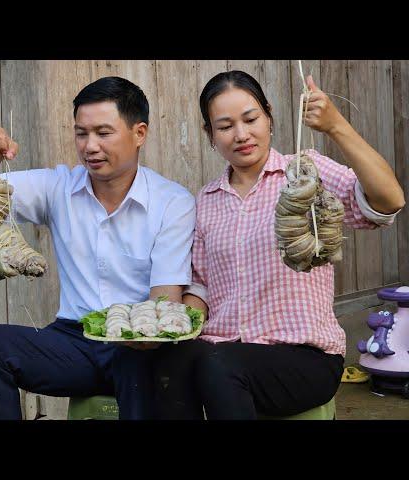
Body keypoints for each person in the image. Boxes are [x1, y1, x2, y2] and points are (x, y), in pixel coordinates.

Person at [154, 70, 406, 420]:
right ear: (209, 133)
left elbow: (389, 201)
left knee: (220, 367)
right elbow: (202, 287)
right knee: (165, 364)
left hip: (304, 357)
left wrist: (336, 126)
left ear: (269, 115)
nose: (241, 134)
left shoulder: (304, 173)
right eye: (225, 126)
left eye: (250, 119)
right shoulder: (207, 200)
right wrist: (173, 321)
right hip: (224, 350)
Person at [0, 76, 196, 419]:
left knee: (138, 359)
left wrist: (133, 339)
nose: (90, 146)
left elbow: (164, 305)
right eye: (82, 133)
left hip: (137, 345)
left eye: (103, 132)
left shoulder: (172, 202)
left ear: (139, 133)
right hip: (74, 343)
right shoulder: (58, 187)